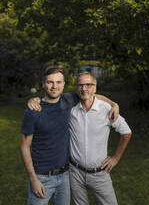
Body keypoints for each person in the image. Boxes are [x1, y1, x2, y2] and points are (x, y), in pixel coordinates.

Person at [21, 66, 119, 205]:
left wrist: (114, 104)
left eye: (58, 82)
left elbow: (92, 95)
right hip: (41, 177)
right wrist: (33, 179)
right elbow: (24, 147)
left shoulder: (68, 100)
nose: (54, 86)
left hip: (65, 177)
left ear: (64, 84)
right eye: (50, 82)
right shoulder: (33, 111)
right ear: (43, 84)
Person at [69, 72, 132, 205]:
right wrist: (33, 100)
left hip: (99, 173)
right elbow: (51, 100)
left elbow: (126, 132)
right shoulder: (70, 109)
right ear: (76, 88)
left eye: (88, 85)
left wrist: (116, 158)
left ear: (95, 88)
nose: (84, 88)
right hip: (75, 172)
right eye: (80, 85)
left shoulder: (106, 109)